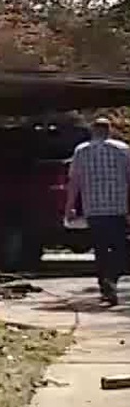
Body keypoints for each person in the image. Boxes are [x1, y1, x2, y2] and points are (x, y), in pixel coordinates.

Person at [65, 116, 130, 307]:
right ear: (109, 130)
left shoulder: (81, 151)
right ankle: (113, 278)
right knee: (119, 247)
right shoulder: (123, 150)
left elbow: (74, 182)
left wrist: (70, 207)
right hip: (117, 207)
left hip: (93, 208)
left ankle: (105, 286)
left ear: (93, 131)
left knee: (100, 249)